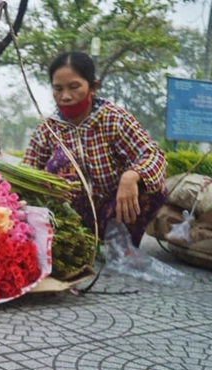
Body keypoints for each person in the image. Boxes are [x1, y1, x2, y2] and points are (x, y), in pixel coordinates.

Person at [23, 51, 167, 248]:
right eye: (58, 89)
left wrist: (131, 176)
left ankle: (119, 245)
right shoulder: (47, 130)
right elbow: (28, 173)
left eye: (74, 87)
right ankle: (70, 242)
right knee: (62, 160)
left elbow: (154, 155)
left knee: (152, 186)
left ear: (93, 87)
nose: (65, 96)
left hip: (113, 212)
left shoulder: (114, 119)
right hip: (69, 220)